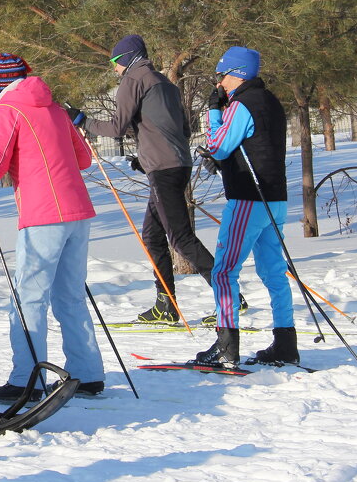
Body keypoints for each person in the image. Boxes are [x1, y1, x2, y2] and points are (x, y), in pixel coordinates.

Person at [0, 53, 105, 400]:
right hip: (78, 210)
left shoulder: (7, 111)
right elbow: (83, 158)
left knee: (29, 298)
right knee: (69, 295)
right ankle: (87, 374)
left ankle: (26, 379)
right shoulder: (54, 108)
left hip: (43, 215)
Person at [69, 35, 243, 324]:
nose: (113, 68)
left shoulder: (133, 80)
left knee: (181, 239)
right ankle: (166, 305)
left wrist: (81, 120)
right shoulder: (166, 84)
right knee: (152, 235)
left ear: (126, 58)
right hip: (176, 164)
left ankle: (230, 298)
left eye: (114, 61)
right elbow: (182, 130)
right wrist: (147, 156)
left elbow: (116, 128)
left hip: (163, 168)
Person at [196, 46, 295, 367]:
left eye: (222, 76)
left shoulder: (241, 105)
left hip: (247, 201)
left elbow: (218, 145)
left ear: (236, 73)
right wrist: (225, 165)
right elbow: (256, 148)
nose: (220, 83)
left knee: (224, 272)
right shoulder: (271, 102)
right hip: (275, 199)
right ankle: (285, 343)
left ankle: (226, 346)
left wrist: (214, 111)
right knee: (274, 272)